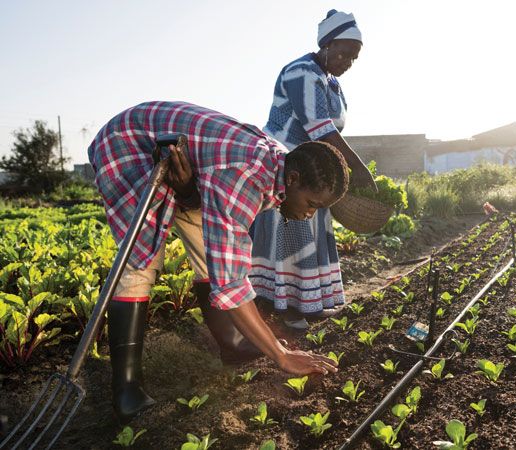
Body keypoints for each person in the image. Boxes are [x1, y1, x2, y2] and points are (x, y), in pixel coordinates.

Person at [88, 101, 341, 422]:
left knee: (209, 252)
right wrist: (282, 355)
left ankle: (233, 344)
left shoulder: (281, 164)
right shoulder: (244, 177)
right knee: (139, 261)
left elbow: (220, 247)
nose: (310, 214)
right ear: (292, 179)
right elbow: (232, 282)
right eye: (311, 204)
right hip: (128, 145)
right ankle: (126, 390)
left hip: (187, 164)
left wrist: (188, 190)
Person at [249, 9, 375, 329]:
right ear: (327, 44)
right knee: (293, 231)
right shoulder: (302, 72)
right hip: (285, 166)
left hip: (314, 168)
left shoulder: (331, 82)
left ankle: (309, 303)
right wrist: (357, 169)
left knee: (310, 229)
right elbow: (321, 129)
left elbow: (330, 132)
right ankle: (287, 308)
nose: (347, 61)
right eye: (344, 52)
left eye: (354, 58)